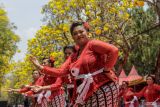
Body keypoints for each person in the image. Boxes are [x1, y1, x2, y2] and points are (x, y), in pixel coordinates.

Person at [30, 21, 119, 106]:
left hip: (102, 86)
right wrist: (40, 66)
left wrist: (107, 70)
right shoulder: (73, 57)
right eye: (75, 33)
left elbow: (113, 51)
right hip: (84, 92)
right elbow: (60, 72)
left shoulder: (92, 44)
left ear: (87, 32)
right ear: (72, 37)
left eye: (81, 32)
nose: (78, 35)